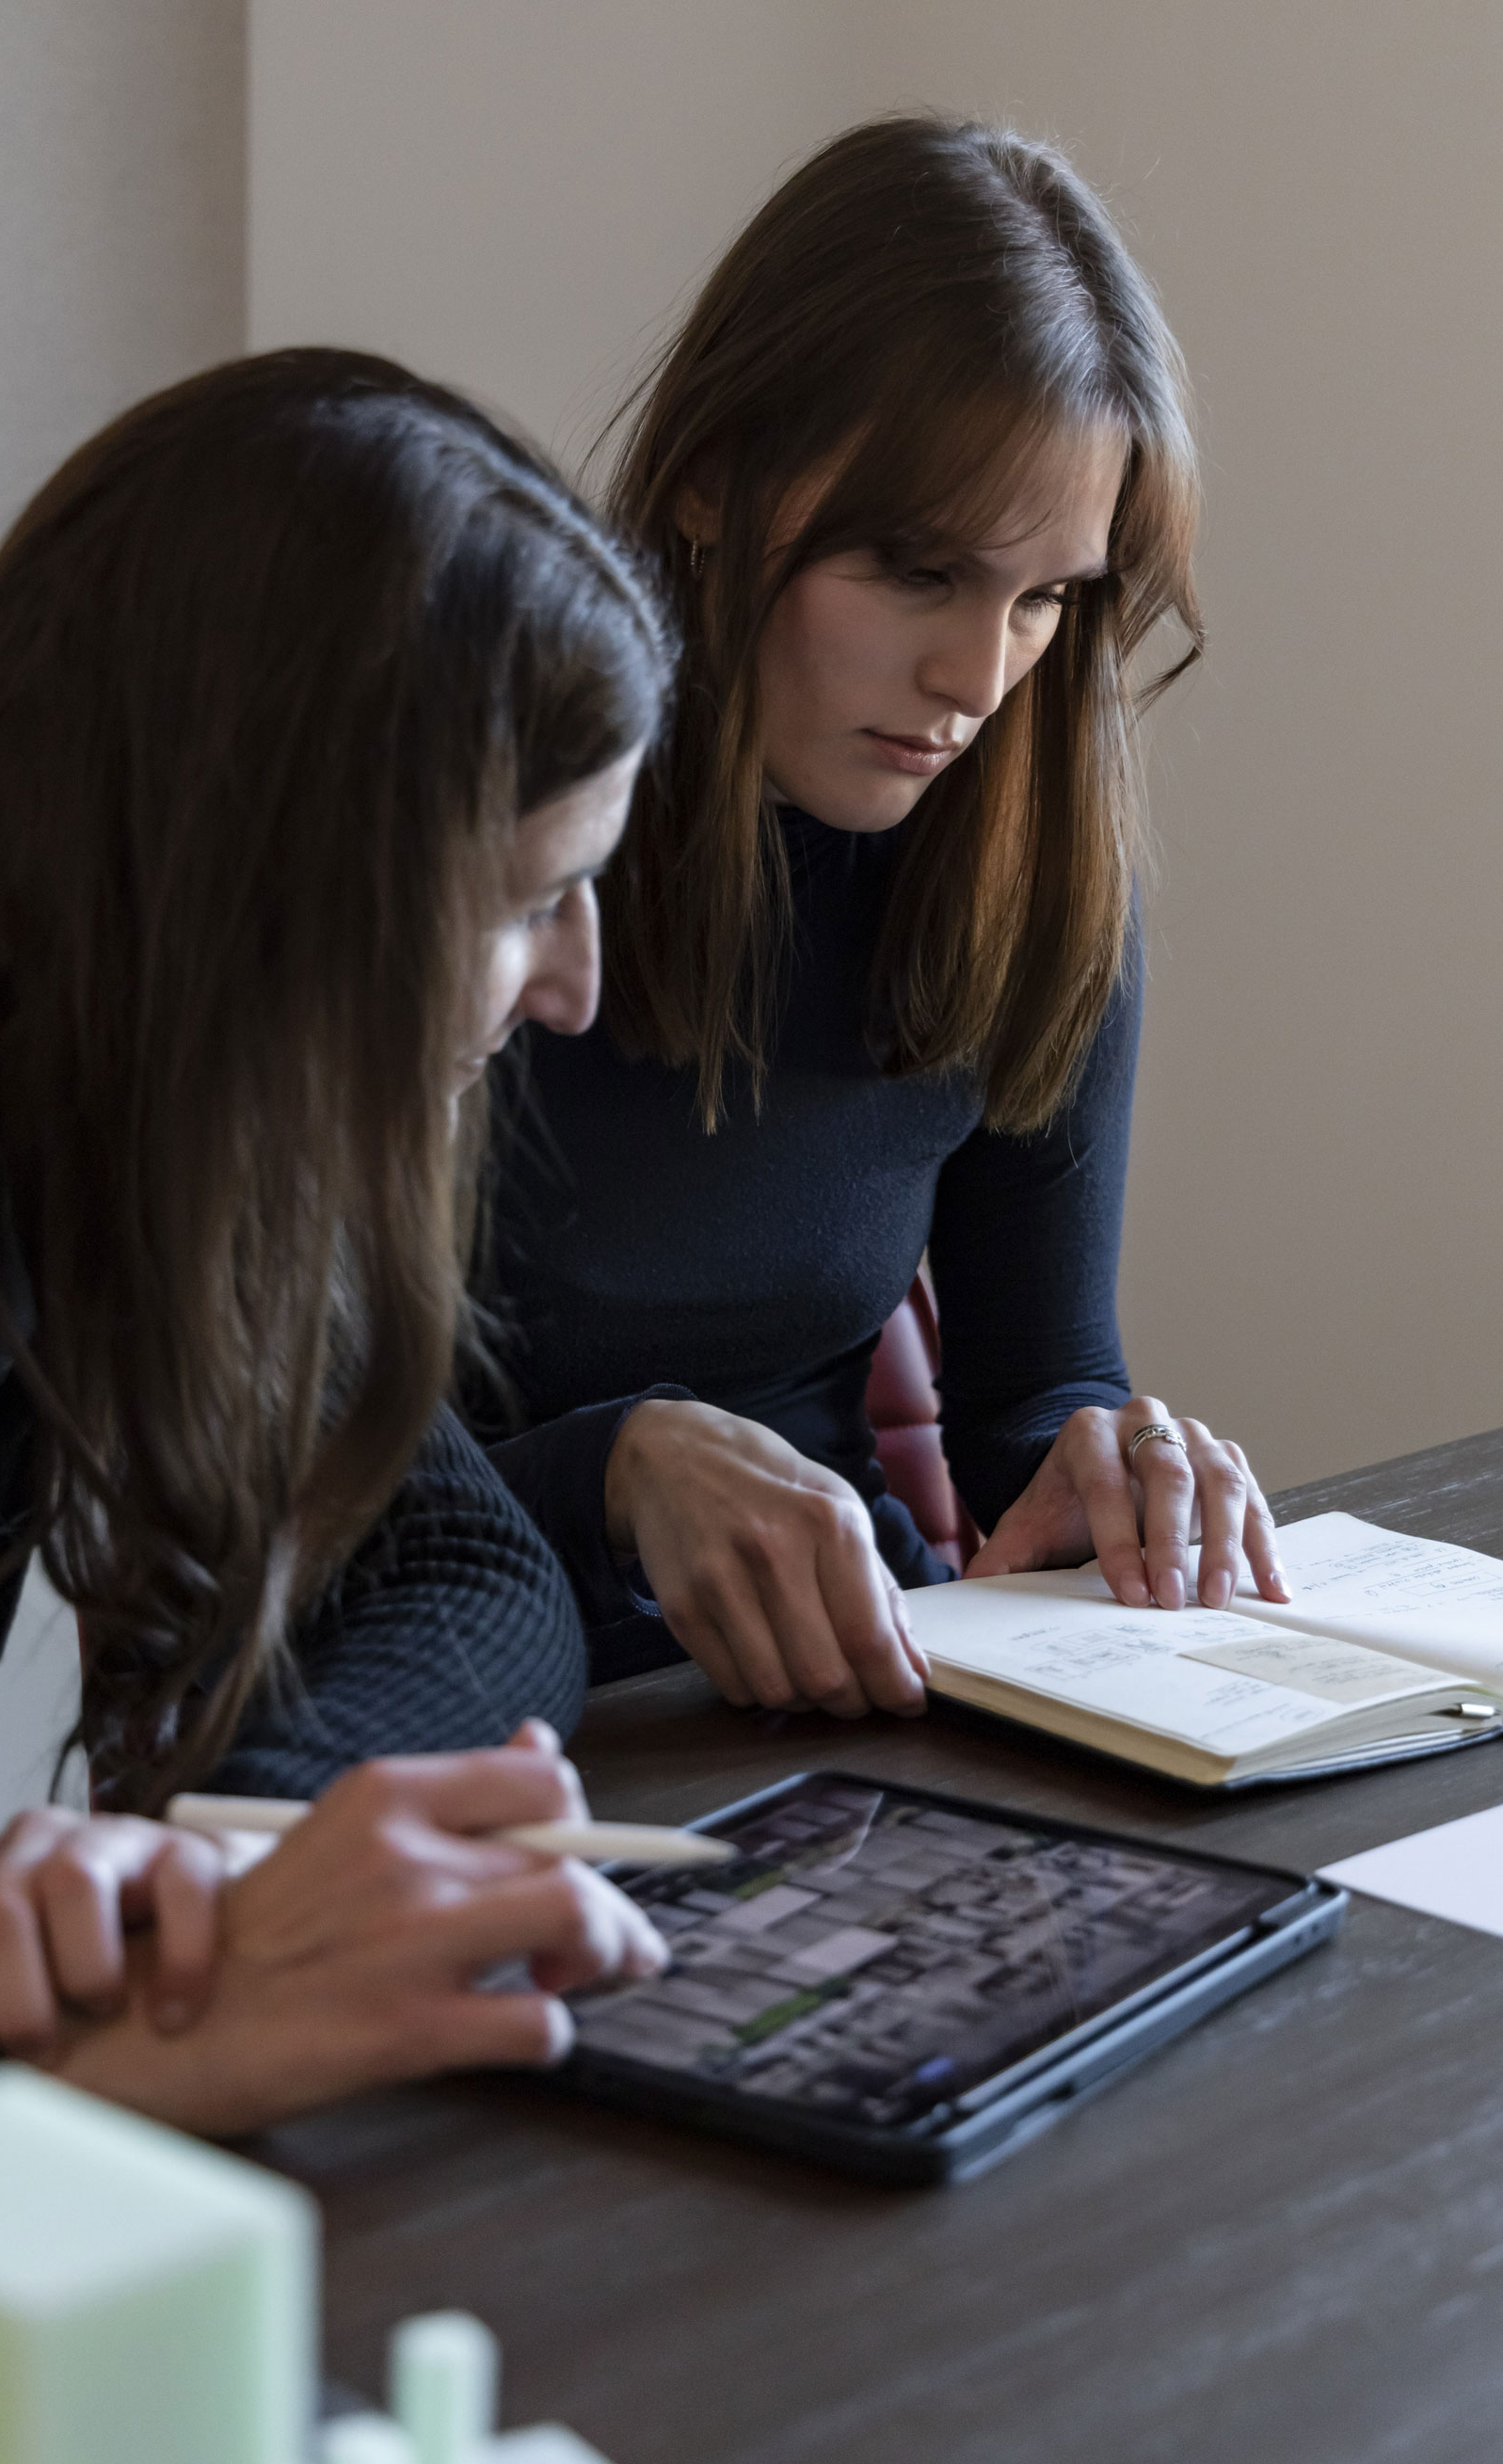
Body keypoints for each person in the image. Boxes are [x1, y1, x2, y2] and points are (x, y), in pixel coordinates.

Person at [0, 349, 674, 2139]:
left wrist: (237, 1870)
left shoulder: (134, 1127)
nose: (576, 984)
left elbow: (469, 1572)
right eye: (529, 898)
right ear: (280, 901)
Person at [482, 115, 1288, 1718]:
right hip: (443, 1711)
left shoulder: (1027, 870)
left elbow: (1030, 1387)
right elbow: (239, 1475)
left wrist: (1104, 1466)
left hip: (858, 1697)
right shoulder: (474, 848)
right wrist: (609, 1467)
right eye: (918, 570)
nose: (976, 679)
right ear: (710, 480)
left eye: (1045, 596)